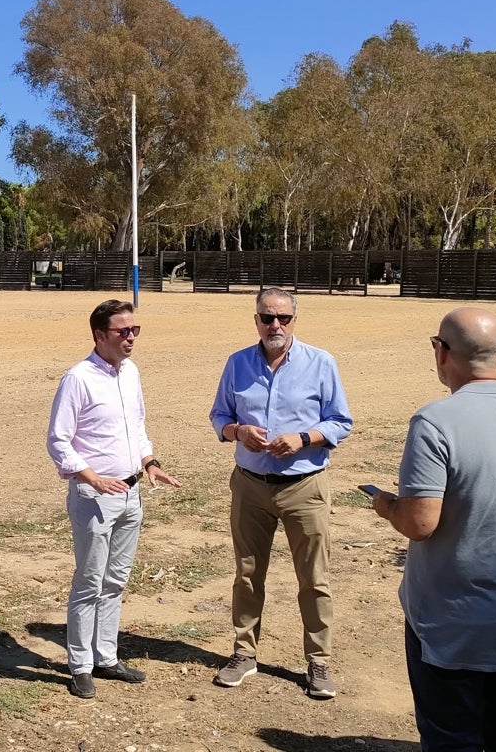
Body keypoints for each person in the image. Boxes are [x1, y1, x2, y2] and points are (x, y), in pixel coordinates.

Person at [369, 307, 496, 750]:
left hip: (451, 622)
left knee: (451, 736)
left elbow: (420, 522)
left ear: (441, 353)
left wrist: (387, 505)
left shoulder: (435, 422)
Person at [208, 287, 352, 698]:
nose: (275, 325)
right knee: (248, 576)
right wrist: (237, 431)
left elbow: (341, 421)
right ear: (255, 319)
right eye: (267, 317)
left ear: (294, 320)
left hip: (304, 486)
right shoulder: (237, 364)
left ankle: (319, 662)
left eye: (283, 318)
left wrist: (304, 438)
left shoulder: (321, 363)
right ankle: (244, 653)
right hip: (251, 486)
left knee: (314, 578)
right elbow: (219, 415)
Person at [47, 299, 181, 699]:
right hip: (94, 496)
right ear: (99, 335)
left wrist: (150, 462)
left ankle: (106, 657)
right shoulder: (78, 378)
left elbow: (136, 424)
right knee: (89, 581)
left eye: (134, 330)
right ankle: (80, 666)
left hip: (132, 491)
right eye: (123, 331)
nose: (131, 338)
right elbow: (58, 441)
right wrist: (93, 477)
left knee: (116, 579)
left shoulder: (131, 373)